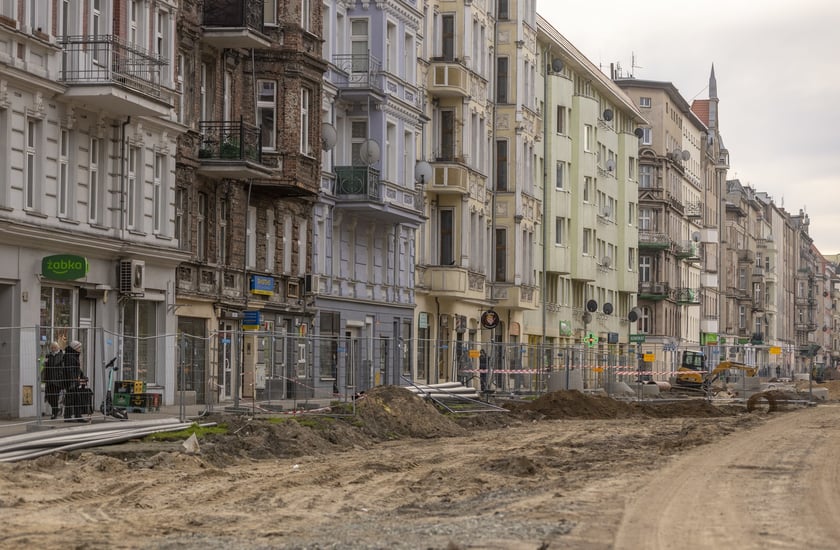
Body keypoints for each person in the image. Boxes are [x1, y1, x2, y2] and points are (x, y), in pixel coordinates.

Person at [62, 340, 85, 422]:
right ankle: (68, 417)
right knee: (70, 399)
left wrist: (82, 375)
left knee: (76, 399)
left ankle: (77, 416)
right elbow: (70, 370)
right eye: (79, 347)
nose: (80, 349)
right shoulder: (69, 356)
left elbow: (77, 368)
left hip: (73, 381)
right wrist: (73, 380)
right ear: (75, 348)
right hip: (71, 382)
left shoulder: (74, 355)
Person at [43, 341, 64, 419]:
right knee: (49, 397)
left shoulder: (61, 355)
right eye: (51, 347)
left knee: (55, 396)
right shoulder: (48, 356)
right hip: (49, 380)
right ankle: (56, 409)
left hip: (57, 380)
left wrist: (60, 376)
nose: (53, 349)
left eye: (54, 347)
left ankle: (54, 413)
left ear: (58, 347)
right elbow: (46, 367)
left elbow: (63, 367)